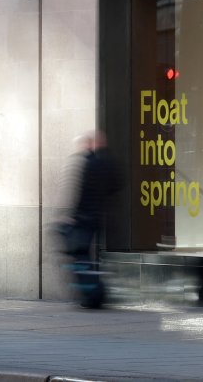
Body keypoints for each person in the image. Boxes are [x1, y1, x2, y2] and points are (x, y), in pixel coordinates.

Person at [59, 130, 120, 309]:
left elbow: (82, 193)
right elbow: (115, 185)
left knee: (80, 256)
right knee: (85, 256)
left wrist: (73, 215)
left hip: (85, 217)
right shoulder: (107, 162)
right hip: (97, 216)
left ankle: (94, 294)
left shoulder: (89, 163)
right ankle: (95, 293)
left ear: (90, 144)